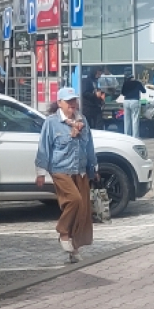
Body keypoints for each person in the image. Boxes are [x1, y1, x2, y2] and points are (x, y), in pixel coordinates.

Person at [35, 86, 98, 263]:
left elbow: (89, 145)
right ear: (59, 103)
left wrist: (94, 166)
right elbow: (44, 147)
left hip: (81, 170)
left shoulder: (82, 120)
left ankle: (74, 250)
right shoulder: (51, 122)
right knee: (74, 200)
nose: (72, 104)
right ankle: (63, 232)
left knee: (82, 211)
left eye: (74, 101)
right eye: (68, 101)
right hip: (60, 169)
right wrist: (41, 172)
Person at [121, 72, 146, 138]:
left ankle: (127, 136)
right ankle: (135, 137)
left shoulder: (125, 83)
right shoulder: (137, 83)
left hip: (126, 101)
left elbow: (123, 93)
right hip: (135, 101)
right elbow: (144, 91)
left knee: (127, 120)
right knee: (135, 120)